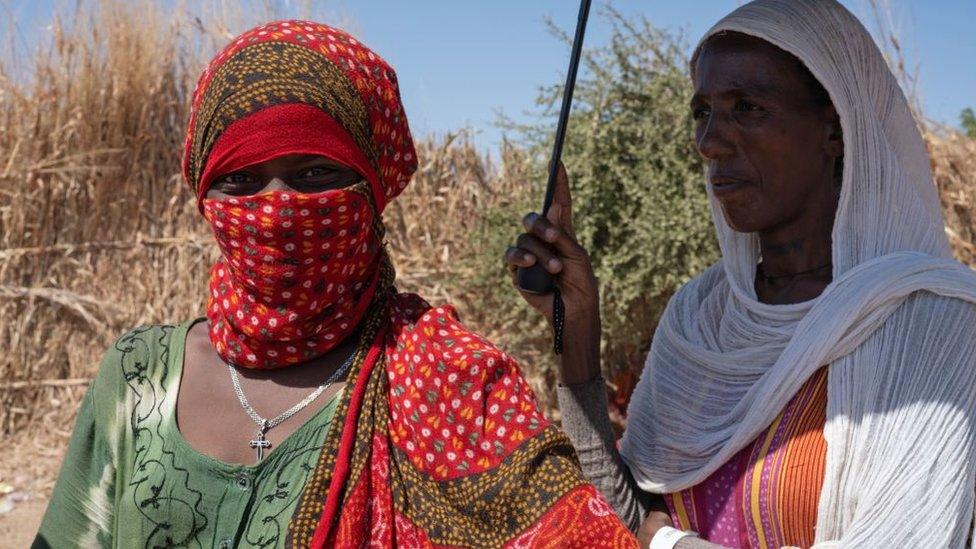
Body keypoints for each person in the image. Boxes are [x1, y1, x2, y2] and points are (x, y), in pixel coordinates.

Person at [34, 20, 637, 548]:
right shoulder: (138, 377)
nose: (276, 207)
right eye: (242, 180)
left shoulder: (449, 382)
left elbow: (583, 531)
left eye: (314, 173)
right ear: (203, 193)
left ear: (371, 189)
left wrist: (576, 336)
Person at [505, 0, 976, 547]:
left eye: (747, 107)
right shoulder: (702, 314)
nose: (710, 142)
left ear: (835, 129)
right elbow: (624, 522)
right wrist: (578, 333)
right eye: (701, 111)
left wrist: (670, 545)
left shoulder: (931, 325)